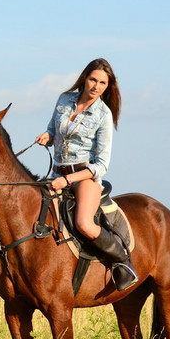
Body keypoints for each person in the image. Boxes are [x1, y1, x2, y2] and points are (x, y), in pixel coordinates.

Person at [35, 58, 137, 291]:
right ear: (85, 78)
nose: (96, 86)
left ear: (107, 86)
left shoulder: (104, 115)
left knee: (84, 224)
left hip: (84, 178)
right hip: (56, 174)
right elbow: (53, 130)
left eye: (102, 83)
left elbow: (102, 163)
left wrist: (69, 179)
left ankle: (123, 263)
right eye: (93, 79)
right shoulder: (64, 100)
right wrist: (47, 136)